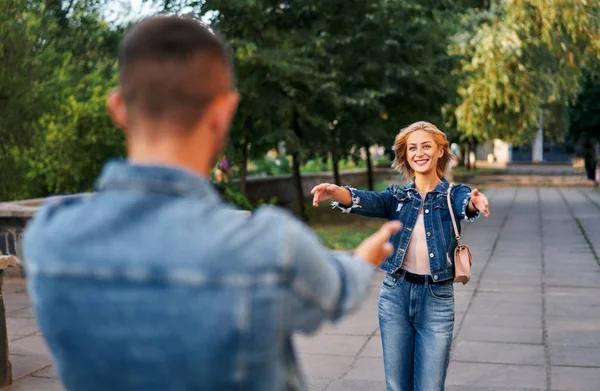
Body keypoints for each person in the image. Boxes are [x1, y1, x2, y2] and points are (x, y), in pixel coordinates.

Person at [22, 16, 401, 391]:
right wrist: (363, 258)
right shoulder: (269, 247)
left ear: (118, 108)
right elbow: (336, 293)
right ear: (223, 112)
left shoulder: (49, 238)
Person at [311, 121, 490, 391]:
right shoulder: (397, 197)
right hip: (395, 295)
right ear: (406, 155)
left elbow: (465, 202)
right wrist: (335, 192)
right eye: (412, 148)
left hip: (437, 299)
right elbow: (366, 200)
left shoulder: (452, 195)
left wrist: (474, 202)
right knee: (397, 386)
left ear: (441, 150)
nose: (419, 153)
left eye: (426, 146)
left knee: (430, 386)